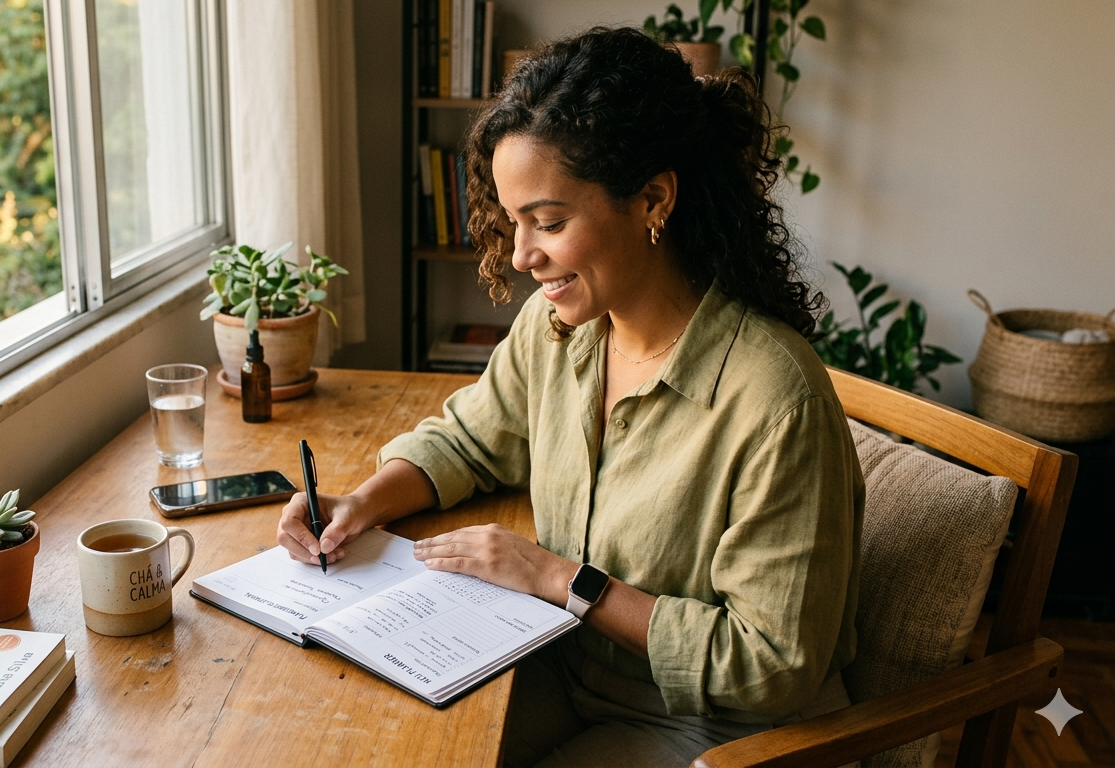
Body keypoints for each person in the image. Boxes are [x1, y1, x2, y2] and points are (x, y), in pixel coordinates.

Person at [277, 26, 863, 766]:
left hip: (718, 731)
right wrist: (360, 505)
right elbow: (468, 440)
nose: (522, 257)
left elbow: (770, 665)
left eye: (548, 222)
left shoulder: (776, 401)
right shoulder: (559, 333)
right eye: (515, 222)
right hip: (564, 665)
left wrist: (559, 579)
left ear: (654, 199)